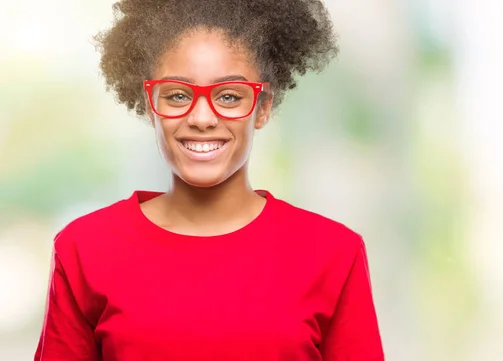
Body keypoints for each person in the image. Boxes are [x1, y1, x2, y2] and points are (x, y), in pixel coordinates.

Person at [34, 0, 384, 360]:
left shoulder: (333, 254)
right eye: (178, 95)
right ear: (150, 101)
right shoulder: (85, 249)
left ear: (262, 107)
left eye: (229, 96)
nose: (202, 117)